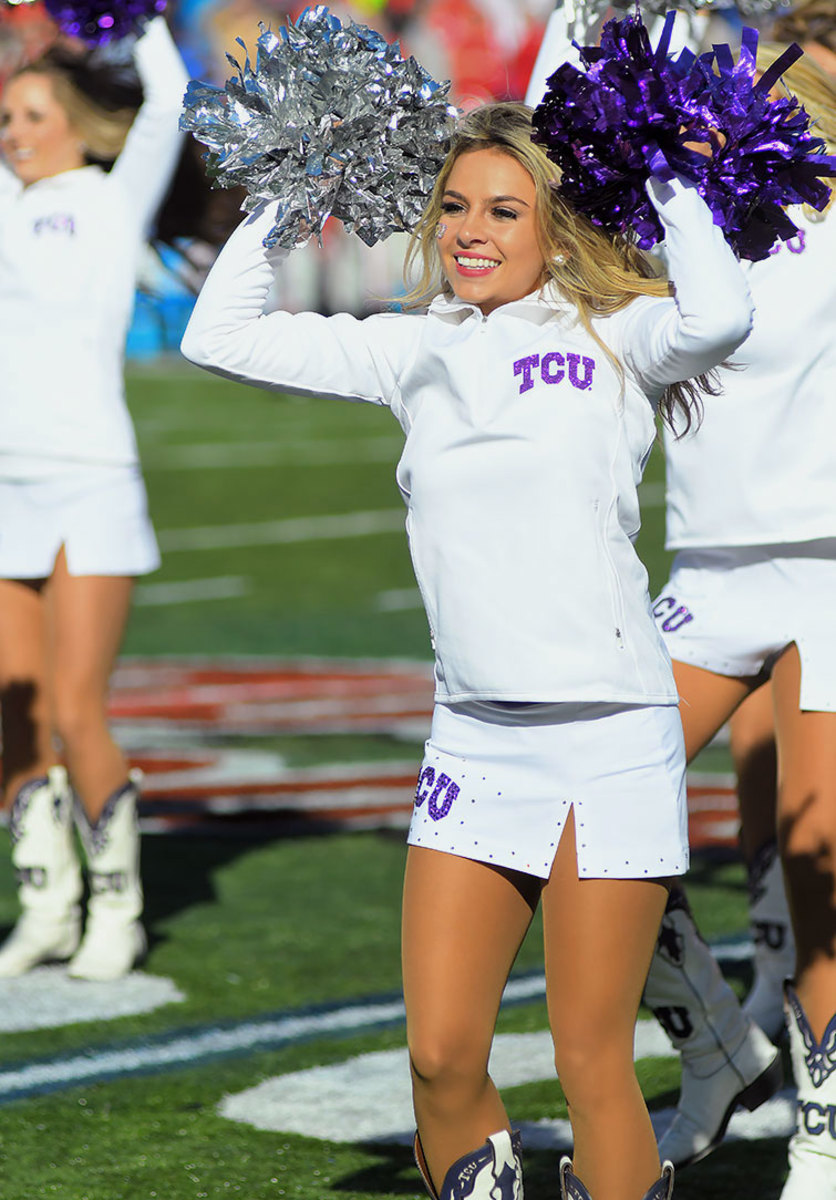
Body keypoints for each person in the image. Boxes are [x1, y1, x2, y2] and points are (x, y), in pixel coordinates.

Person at [181, 98, 753, 1200]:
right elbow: (219, 336)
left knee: (591, 1060)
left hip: (608, 744)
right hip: (473, 741)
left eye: (502, 208)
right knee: (441, 1057)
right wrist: (297, 191)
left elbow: (716, 319)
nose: (469, 230)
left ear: (556, 226)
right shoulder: (416, 352)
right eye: (452, 207)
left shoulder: (612, 335)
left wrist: (656, 174)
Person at [639, 45, 836, 1200]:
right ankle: (711, 1042)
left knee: (821, 877)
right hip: (705, 577)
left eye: (781, 87)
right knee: (575, 813)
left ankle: (823, 1123)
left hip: (829, 575)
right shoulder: (674, 222)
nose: (745, 101)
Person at [0, 16, 189, 981]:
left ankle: (117, 905)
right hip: (7, 484)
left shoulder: (116, 200)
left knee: (77, 707)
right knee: (15, 712)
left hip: (89, 479)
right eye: (5, 116)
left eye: (31, 114)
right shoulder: (1, 199)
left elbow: (167, 95)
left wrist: (134, 11)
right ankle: (46, 899)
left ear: (74, 122)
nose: (15, 131)